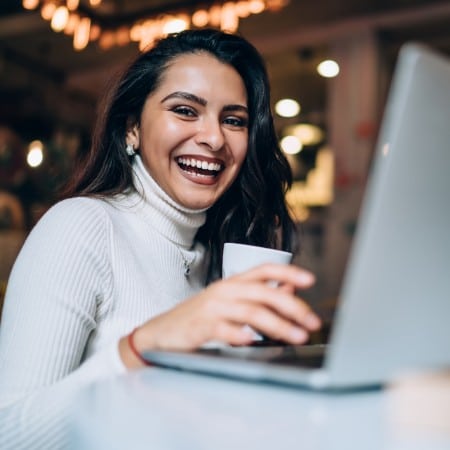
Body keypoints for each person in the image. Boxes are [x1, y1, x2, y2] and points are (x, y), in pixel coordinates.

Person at [0, 29, 321, 448]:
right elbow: (10, 436)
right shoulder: (83, 226)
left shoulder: (214, 256)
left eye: (233, 120)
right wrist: (142, 348)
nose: (214, 138)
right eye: (186, 110)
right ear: (132, 126)